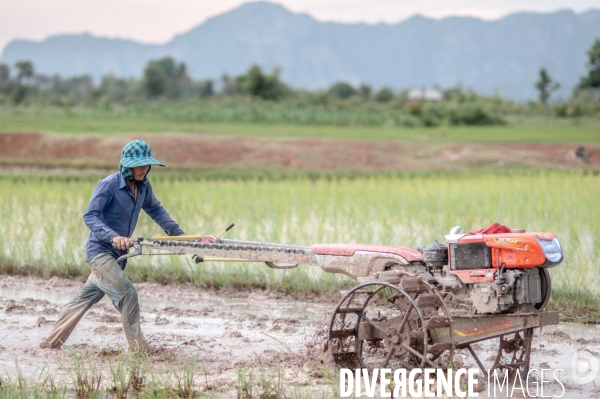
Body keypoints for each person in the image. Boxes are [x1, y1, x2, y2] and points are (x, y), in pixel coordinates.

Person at [40, 140, 185, 352]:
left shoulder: (144, 187)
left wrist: (178, 235)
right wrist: (113, 236)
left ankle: (50, 343)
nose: (143, 169)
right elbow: (90, 216)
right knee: (127, 294)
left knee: (84, 299)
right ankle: (139, 349)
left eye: (146, 165)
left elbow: (156, 210)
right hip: (100, 253)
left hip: (118, 255)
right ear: (127, 166)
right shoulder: (108, 185)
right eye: (139, 165)